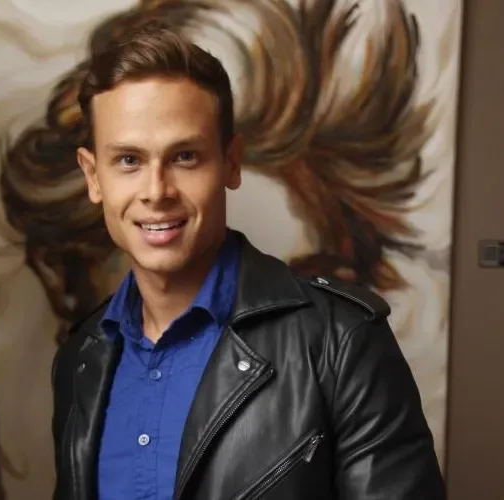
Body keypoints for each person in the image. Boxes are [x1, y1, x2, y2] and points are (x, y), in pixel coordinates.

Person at [50, 23, 446, 500]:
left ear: (231, 162)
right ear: (93, 176)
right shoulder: (79, 358)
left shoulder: (342, 342)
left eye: (185, 156)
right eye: (129, 161)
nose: (156, 191)